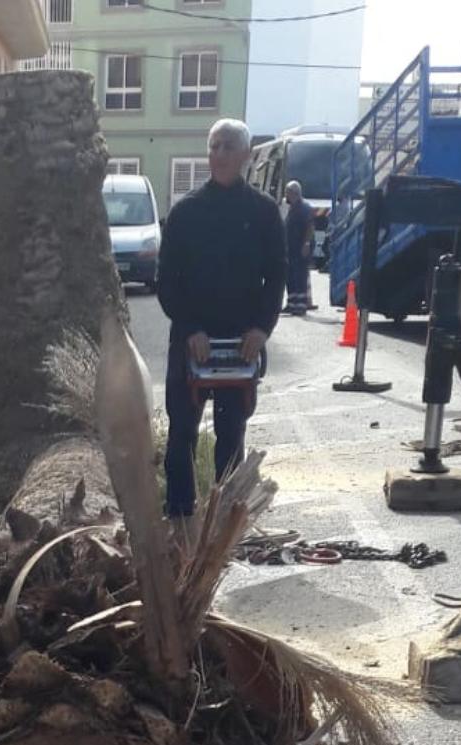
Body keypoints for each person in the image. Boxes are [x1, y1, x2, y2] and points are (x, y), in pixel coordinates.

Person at [157, 118, 286, 518]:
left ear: (246, 155)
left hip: (240, 341)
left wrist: (262, 329)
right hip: (191, 340)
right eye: (213, 146)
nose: (219, 155)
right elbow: (167, 280)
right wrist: (191, 327)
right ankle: (178, 515)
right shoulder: (186, 212)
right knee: (181, 435)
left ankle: (227, 518)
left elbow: (277, 276)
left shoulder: (264, 214)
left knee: (232, 437)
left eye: (228, 147)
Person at [283, 180, 314, 316]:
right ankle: (291, 303)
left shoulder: (304, 208)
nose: (286, 196)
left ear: (294, 193)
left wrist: (306, 244)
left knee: (299, 275)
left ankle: (301, 305)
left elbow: (310, 227)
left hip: (300, 247)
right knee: (290, 276)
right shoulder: (293, 208)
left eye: (287, 193)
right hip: (291, 247)